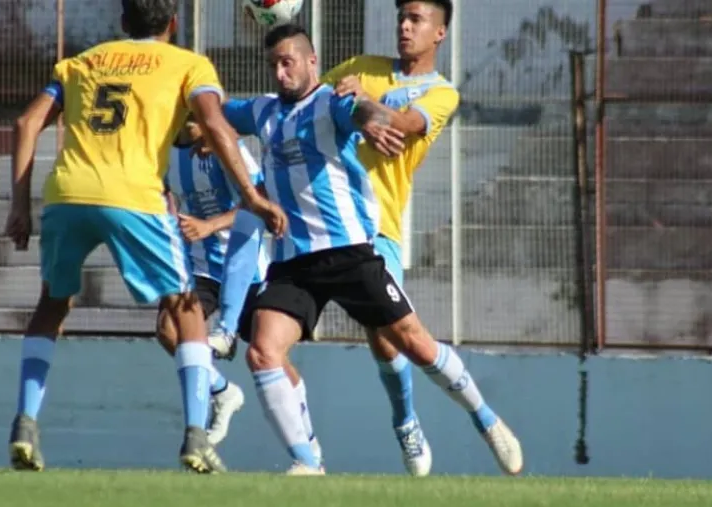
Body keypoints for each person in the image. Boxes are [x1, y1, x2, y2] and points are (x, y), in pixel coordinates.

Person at [221, 22, 523, 476]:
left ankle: (485, 418)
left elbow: (358, 113)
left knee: (413, 346)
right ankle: (308, 464)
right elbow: (214, 111)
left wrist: (372, 118)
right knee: (262, 351)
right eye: (273, 65)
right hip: (291, 264)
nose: (280, 73)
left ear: (310, 63)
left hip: (349, 253)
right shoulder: (262, 111)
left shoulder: (329, 102)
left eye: (288, 63)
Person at [2, 0, 286, 475]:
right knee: (185, 307)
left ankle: (25, 423)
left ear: (121, 23)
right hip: (133, 195)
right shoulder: (187, 63)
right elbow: (215, 125)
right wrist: (252, 198)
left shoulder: (82, 62)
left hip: (67, 193)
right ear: (173, 24)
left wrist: (18, 206)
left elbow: (27, 122)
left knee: (52, 303)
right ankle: (197, 435)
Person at [156, 120, 268, 446]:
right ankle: (222, 390)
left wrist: (210, 225)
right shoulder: (165, 151)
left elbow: (257, 198)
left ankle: (306, 453)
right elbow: (164, 197)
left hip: (247, 270)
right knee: (168, 329)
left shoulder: (225, 145)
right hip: (202, 269)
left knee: (267, 354)